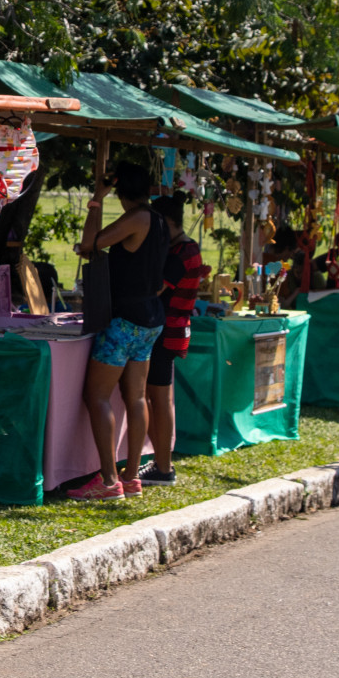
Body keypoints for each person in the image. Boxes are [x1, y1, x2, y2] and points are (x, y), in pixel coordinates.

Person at [69, 160, 168, 500]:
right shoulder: (157, 220)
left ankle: (110, 481)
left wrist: (97, 197)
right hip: (150, 319)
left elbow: (89, 243)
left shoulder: (138, 217)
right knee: (136, 396)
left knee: (96, 396)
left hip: (125, 320)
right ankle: (130, 477)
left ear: (121, 189)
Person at [140, 195, 201, 487]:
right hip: (171, 330)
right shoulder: (181, 248)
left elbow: (155, 289)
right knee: (158, 398)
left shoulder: (182, 253)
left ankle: (163, 467)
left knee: (160, 399)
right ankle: (160, 463)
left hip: (167, 331)